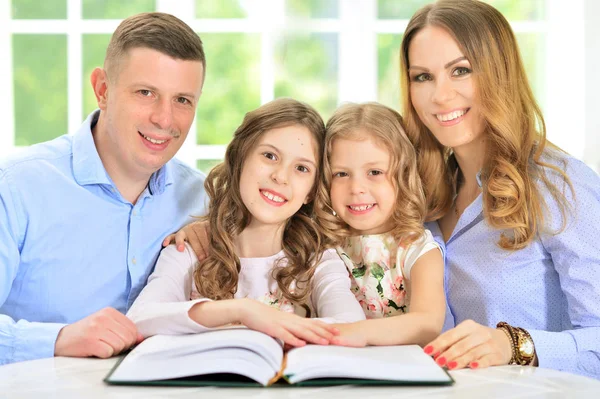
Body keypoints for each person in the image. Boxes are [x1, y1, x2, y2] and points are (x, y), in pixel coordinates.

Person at [400, 0, 600, 378]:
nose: (440, 96)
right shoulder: (419, 195)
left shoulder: (562, 185)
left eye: (460, 71)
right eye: (422, 77)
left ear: (499, 74)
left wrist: (515, 345)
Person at [0, 12, 207, 365]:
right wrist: (58, 339)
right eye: (146, 92)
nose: (165, 119)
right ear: (103, 90)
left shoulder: (203, 201)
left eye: (182, 100)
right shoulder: (16, 187)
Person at [127, 98, 365, 346]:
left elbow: (351, 325)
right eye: (270, 156)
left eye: (301, 168)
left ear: (311, 191)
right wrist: (242, 311)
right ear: (241, 158)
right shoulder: (191, 250)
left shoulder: (317, 260)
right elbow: (140, 319)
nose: (280, 176)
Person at [313, 102, 446, 347]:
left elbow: (428, 323)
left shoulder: (416, 248)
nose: (356, 188)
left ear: (404, 176)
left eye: (374, 172)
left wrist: (357, 332)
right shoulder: (323, 243)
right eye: (341, 174)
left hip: (400, 372)